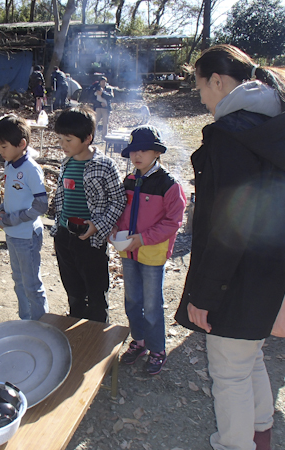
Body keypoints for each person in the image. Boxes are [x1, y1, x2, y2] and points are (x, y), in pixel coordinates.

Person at [174, 44, 285, 450]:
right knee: (249, 354)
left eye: (201, 87)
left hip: (237, 275)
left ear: (218, 81)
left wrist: (204, 293)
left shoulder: (233, 134)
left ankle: (234, 443)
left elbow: (229, 227)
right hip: (274, 264)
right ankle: (261, 429)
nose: (201, 98)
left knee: (229, 371)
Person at [110, 126, 186, 375]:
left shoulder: (168, 184)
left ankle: (157, 350)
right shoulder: (130, 180)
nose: (137, 155)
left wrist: (142, 238)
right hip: (128, 252)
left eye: (143, 150)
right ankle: (139, 341)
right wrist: (115, 230)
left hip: (151, 253)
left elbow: (173, 223)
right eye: (133, 150)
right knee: (132, 300)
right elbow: (121, 210)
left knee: (152, 305)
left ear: (156, 152)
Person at [51, 106, 126, 322]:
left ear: (87, 138)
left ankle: (97, 339)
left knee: (95, 291)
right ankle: (77, 328)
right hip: (65, 236)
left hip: (91, 240)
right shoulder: (67, 162)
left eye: (68, 140)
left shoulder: (104, 165)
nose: (63, 145)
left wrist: (98, 226)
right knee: (73, 289)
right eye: (60, 139)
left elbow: (119, 199)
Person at [0, 115, 49, 320]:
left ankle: (41, 325)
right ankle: (26, 322)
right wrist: (2, 210)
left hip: (27, 236)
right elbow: (10, 195)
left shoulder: (31, 170)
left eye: (4, 146)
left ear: (22, 144)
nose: (0, 151)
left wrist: (14, 218)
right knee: (18, 280)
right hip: (12, 234)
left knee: (32, 284)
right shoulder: (10, 165)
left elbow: (41, 205)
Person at [91, 76, 114, 141]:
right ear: (99, 82)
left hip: (106, 108)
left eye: (104, 82)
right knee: (95, 123)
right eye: (101, 82)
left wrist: (103, 93)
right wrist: (99, 104)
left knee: (105, 123)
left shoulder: (109, 89)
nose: (103, 83)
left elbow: (110, 97)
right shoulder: (96, 88)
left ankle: (104, 138)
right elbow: (92, 98)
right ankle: (93, 137)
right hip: (98, 108)